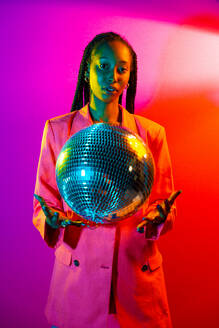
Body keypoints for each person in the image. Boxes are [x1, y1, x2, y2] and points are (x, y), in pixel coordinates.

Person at [33, 32, 180, 328]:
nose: (111, 76)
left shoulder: (150, 134)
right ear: (86, 69)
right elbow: (44, 202)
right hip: (77, 281)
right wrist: (52, 218)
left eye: (121, 69)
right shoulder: (58, 131)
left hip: (136, 277)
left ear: (128, 78)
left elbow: (165, 202)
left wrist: (159, 216)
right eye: (102, 66)